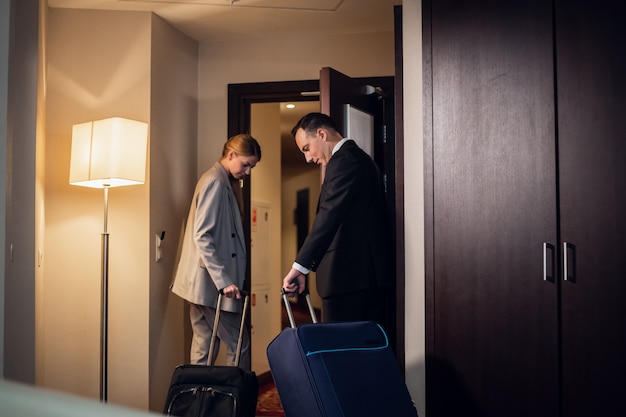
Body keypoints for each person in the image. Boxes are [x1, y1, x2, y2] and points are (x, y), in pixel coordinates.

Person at [282, 112, 392, 325]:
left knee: (344, 351)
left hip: (353, 280)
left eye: (307, 149)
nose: (308, 158)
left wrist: (300, 266)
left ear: (321, 134)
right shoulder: (350, 160)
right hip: (355, 279)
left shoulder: (346, 161)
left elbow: (329, 216)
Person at [172, 133, 261, 370]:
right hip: (212, 285)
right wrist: (224, 281)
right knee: (238, 343)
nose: (248, 171)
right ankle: (234, 404)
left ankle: (198, 405)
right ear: (231, 155)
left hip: (202, 283)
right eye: (245, 164)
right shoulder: (215, 182)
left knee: (204, 347)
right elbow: (202, 235)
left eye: (252, 166)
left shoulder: (222, 182)